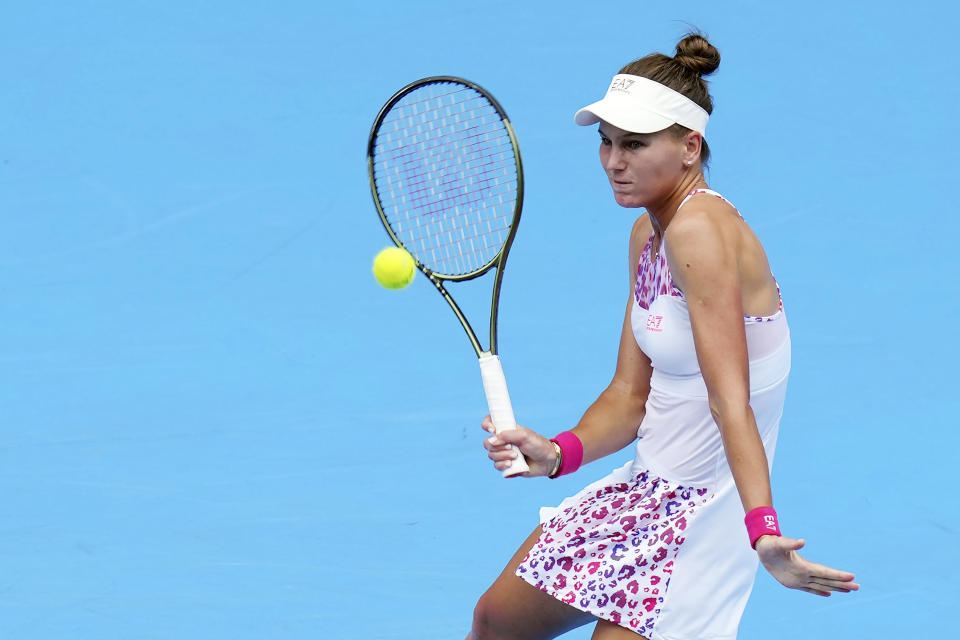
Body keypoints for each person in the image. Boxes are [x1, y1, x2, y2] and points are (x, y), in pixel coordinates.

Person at [468, 33, 859, 640]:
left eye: (635, 144)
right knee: (495, 623)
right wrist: (557, 454)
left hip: (703, 519)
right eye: (606, 142)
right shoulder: (648, 236)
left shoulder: (698, 229)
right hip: (644, 492)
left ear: (689, 146)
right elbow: (629, 395)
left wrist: (762, 528)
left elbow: (731, 399)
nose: (614, 161)